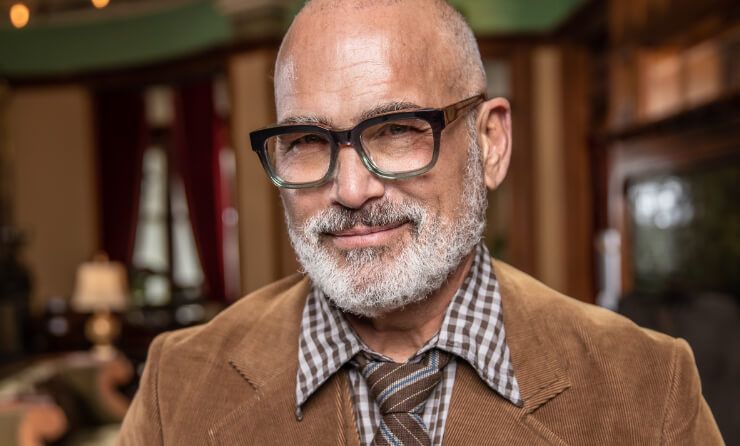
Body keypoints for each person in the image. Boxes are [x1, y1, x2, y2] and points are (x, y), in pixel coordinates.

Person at [118, 1, 723, 444]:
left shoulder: (648, 387)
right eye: (306, 140)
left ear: (489, 144)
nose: (351, 190)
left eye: (398, 130)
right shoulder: (179, 384)